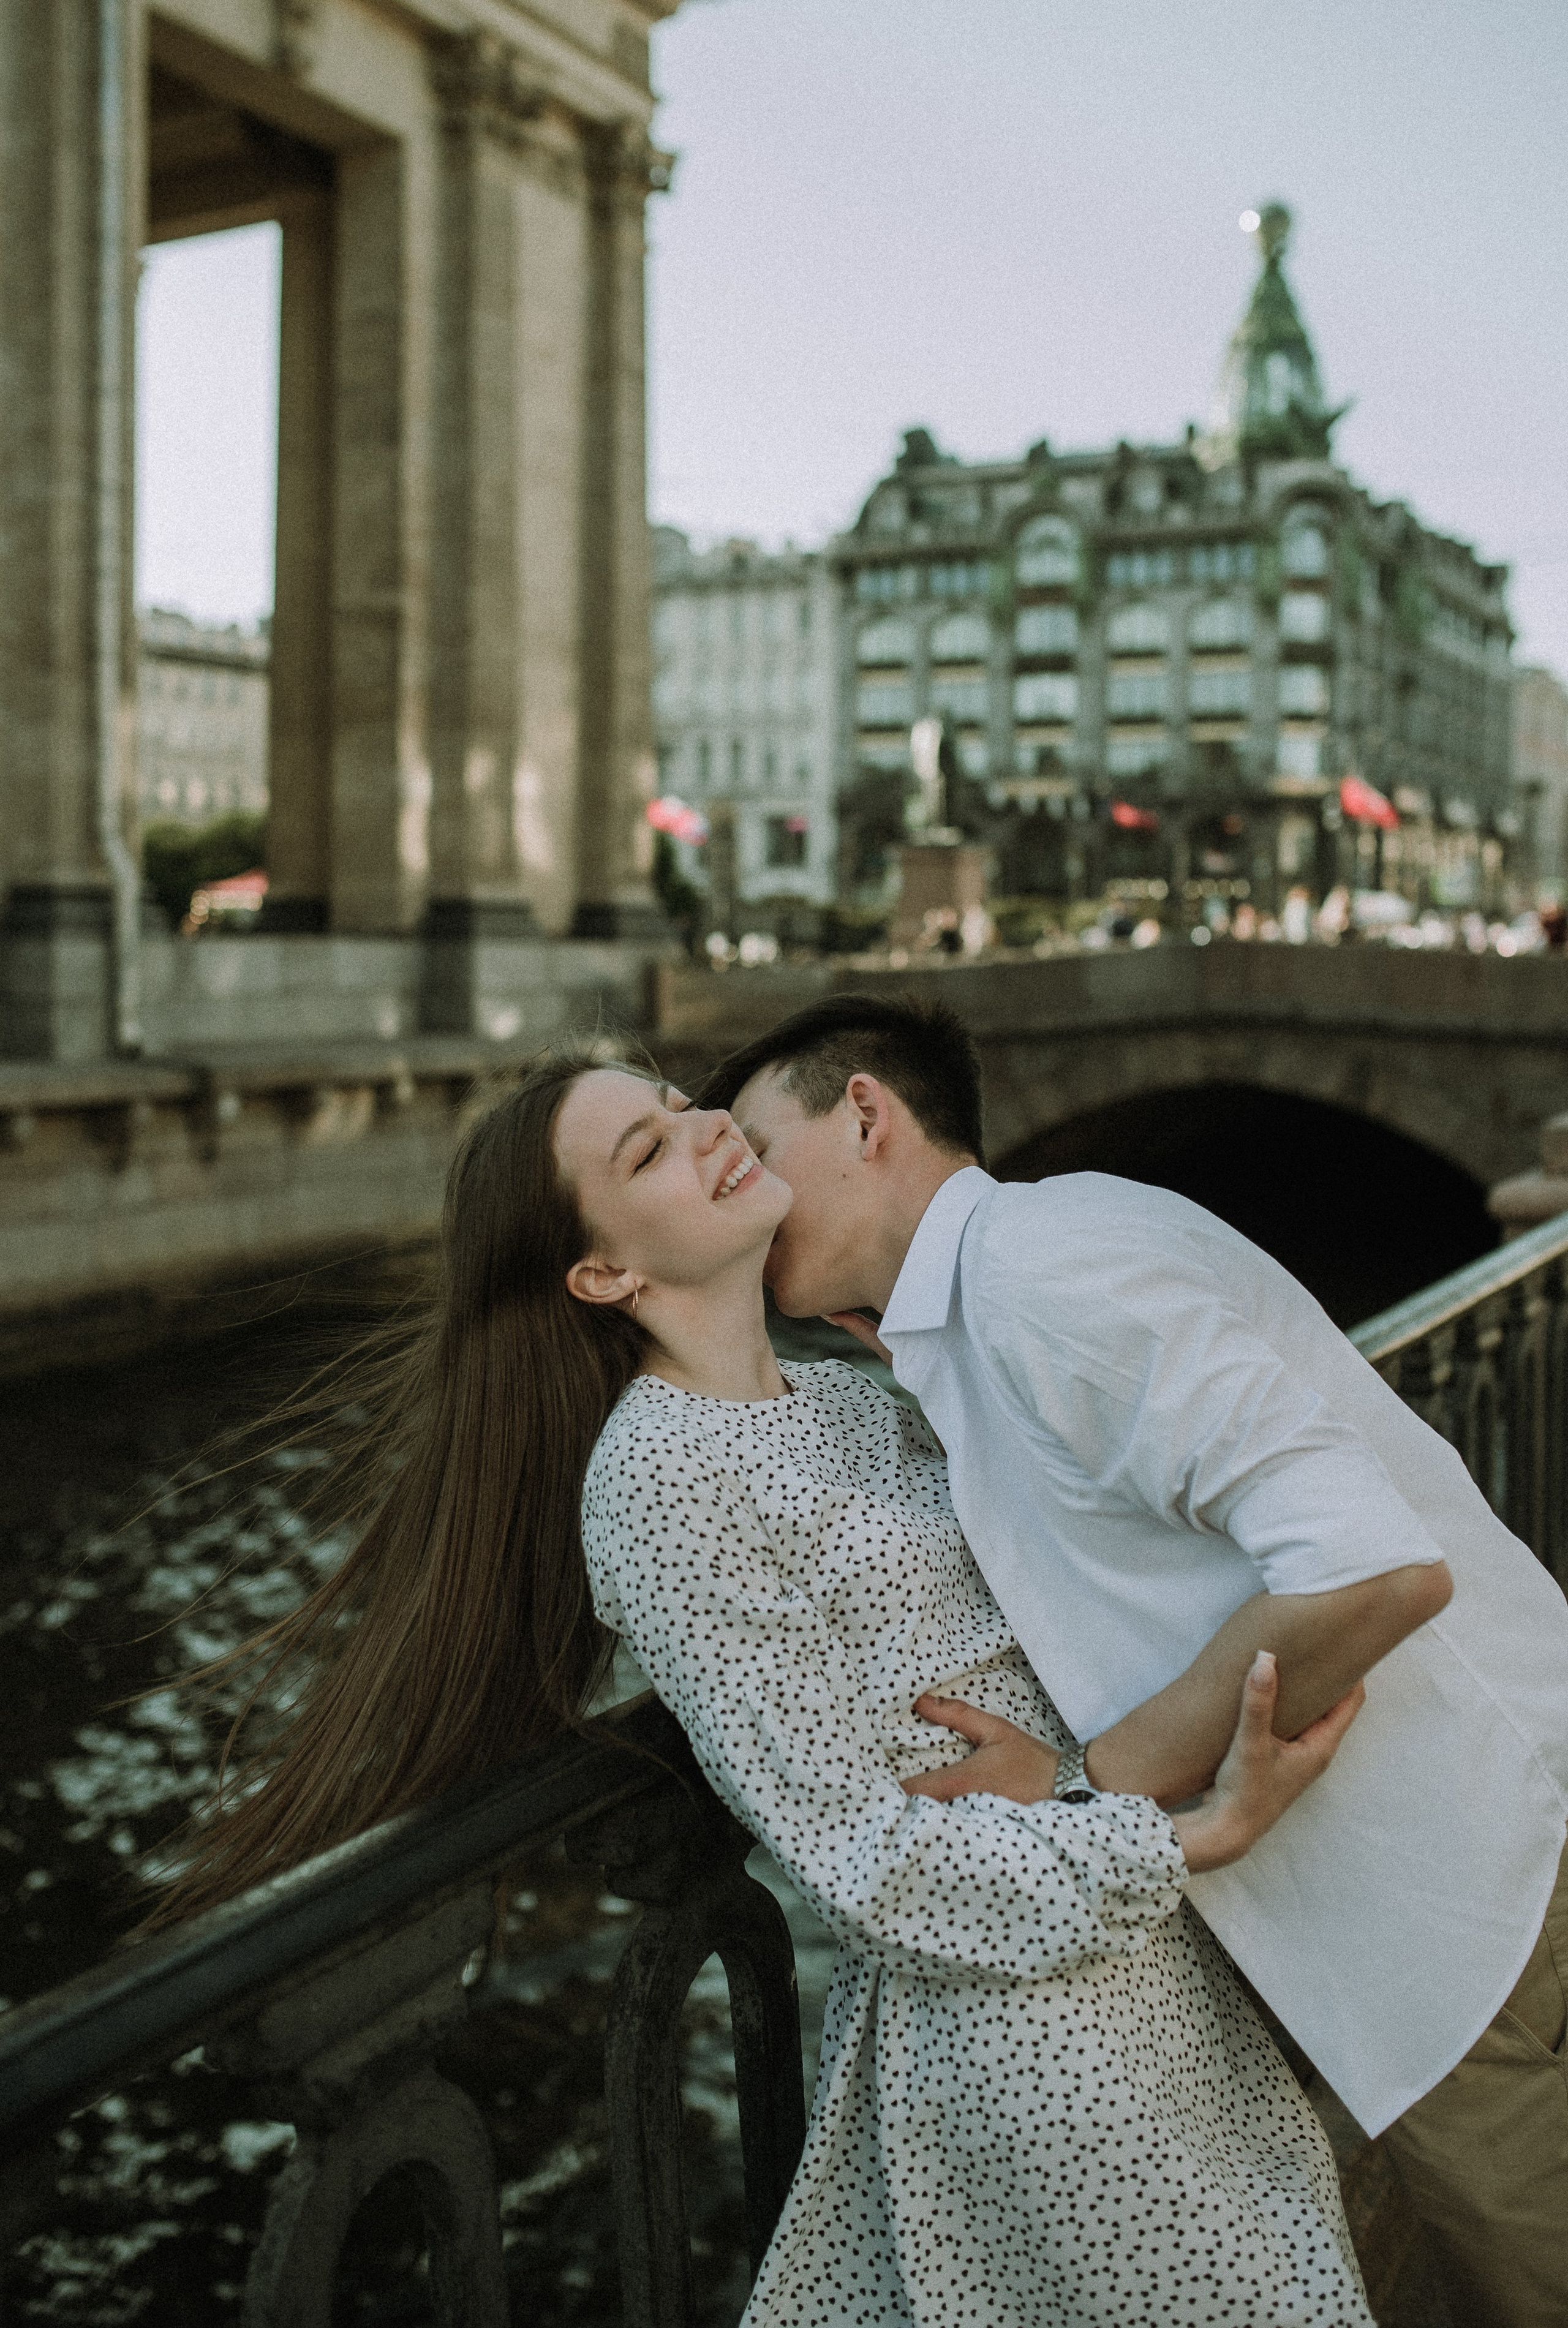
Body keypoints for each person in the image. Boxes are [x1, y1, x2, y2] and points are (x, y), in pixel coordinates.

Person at [159, 1052, 1373, 2327]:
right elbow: (863, 1863)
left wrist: (1071, 1780)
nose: (705, 1130)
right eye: (644, 1151)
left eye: (678, 1103)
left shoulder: (848, 1402)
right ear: (604, 1274)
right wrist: (1188, 1833)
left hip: (1127, 1964)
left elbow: (1021, 1653)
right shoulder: (657, 1480)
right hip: (1035, 2045)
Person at [702, 990, 1568, 2328]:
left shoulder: (1038, 1276)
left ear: (863, 1111)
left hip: (1468, 1907)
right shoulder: (1002, 1289)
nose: (743, 1200)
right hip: (1432, 1902)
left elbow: (1369, 1566)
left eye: (755, 1148)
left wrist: (1082, 1781)